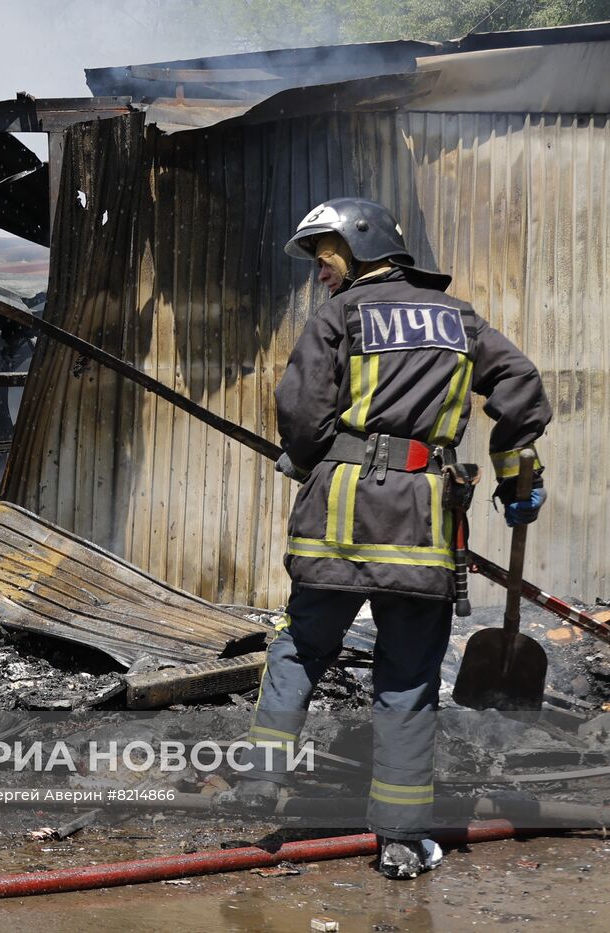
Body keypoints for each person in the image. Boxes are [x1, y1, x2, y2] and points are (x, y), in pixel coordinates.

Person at [232, 198, 551, 879]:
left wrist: (308, 452)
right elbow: (519, 383)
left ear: (361, 245)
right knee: (406, 681)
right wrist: (516, 463)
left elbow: (303, 412)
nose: (321, 274)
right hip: (421, 524)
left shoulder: (340, 316)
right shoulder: (460, 319)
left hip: (337, 521)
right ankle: (401, 838)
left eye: (326, 259)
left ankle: (259, 779)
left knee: (300, 645)